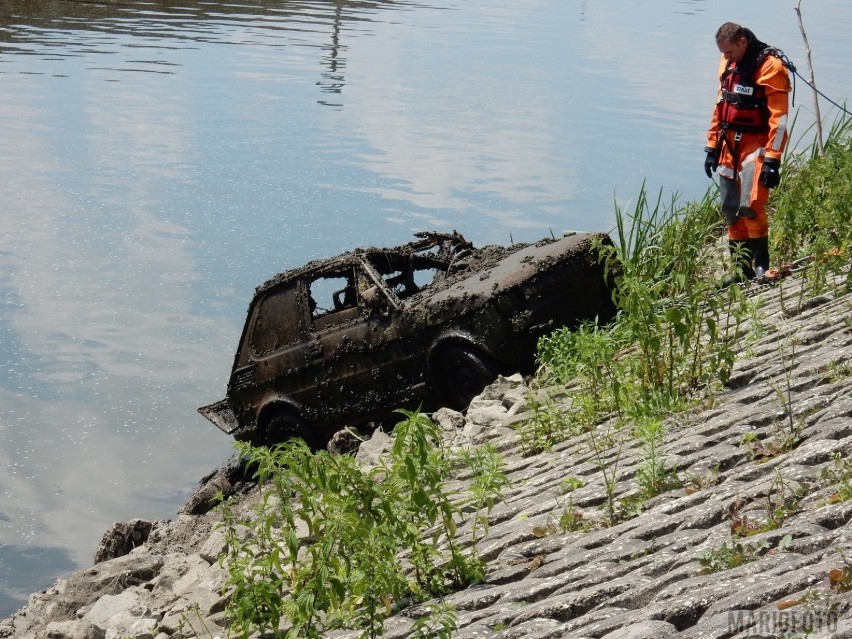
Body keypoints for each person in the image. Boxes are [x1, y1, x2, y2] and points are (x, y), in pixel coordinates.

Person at [704, 22, 791, 285]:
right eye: (723, 52)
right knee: (730, 207)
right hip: (728, 145)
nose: (725, 57)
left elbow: (780, 119)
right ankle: (740, 270)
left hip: (756, 146)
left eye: (729, 51)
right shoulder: (727, 64)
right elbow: (721, 106)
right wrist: (710, 146)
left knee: (750, 205)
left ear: (742, 42)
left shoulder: (771, 68)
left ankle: (761, 267)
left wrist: (773, 160)